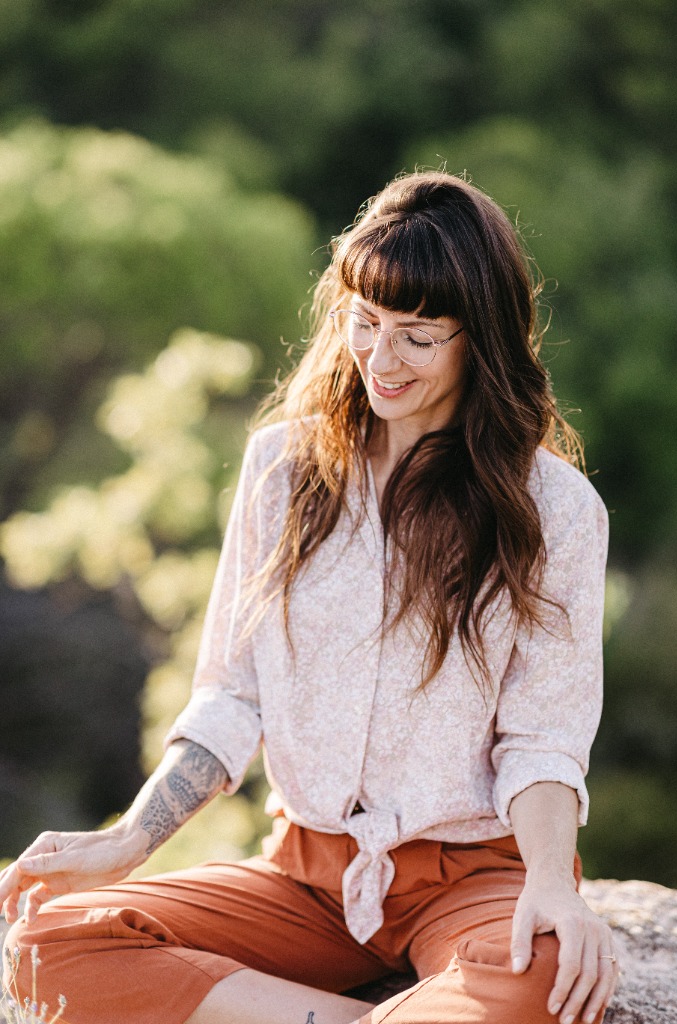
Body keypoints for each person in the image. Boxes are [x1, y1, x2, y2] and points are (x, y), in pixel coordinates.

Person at [1, 171, 617, 1024]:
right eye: (364, 324)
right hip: (305, 876)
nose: (381, 359)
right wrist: (125, 843)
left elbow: (544, 740)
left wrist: (554, 886)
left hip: (475, 876)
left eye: (417, 335)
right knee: (44, 946)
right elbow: (230, 696)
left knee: (550, 972)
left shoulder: (556, 509)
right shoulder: (281, 470)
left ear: (483, 340)